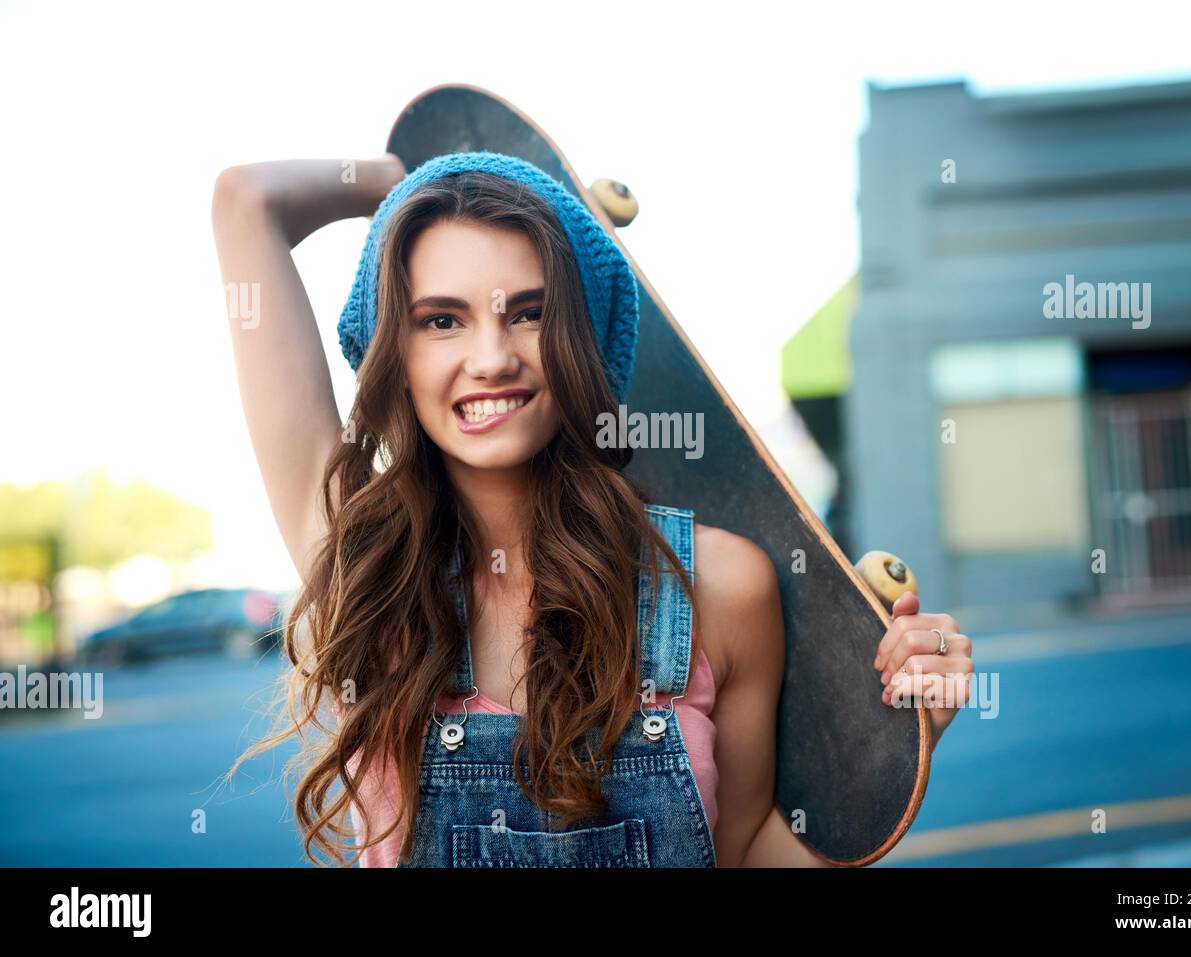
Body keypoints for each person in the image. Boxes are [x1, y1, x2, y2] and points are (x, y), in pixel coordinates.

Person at [209, 151, 974, 867]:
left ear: (586, 339)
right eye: (441, 318)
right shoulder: (366, 572)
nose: (491, 357)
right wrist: (402, 176)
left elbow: (745, 853)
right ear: (395, 356)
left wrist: (905, 737)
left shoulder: (720, 586)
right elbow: (246, 201)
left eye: (530, 312)